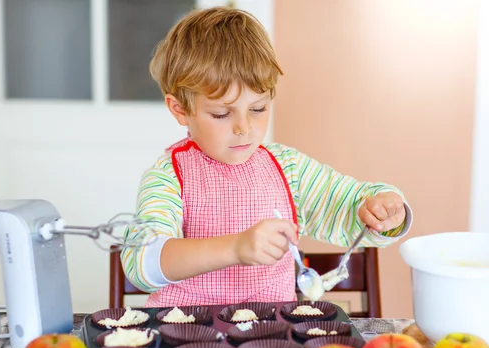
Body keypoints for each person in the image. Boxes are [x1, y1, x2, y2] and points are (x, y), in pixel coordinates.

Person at [121, 6, 413, 307]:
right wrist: (235, 248)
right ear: (180, 109)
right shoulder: (169, 176)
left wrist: (381, 208)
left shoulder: (287, 169)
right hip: (185, 338)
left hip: (271, 338)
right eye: (221, 113)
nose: (244, 128)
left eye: (258, 109)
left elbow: (347, 206)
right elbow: (143, 262)